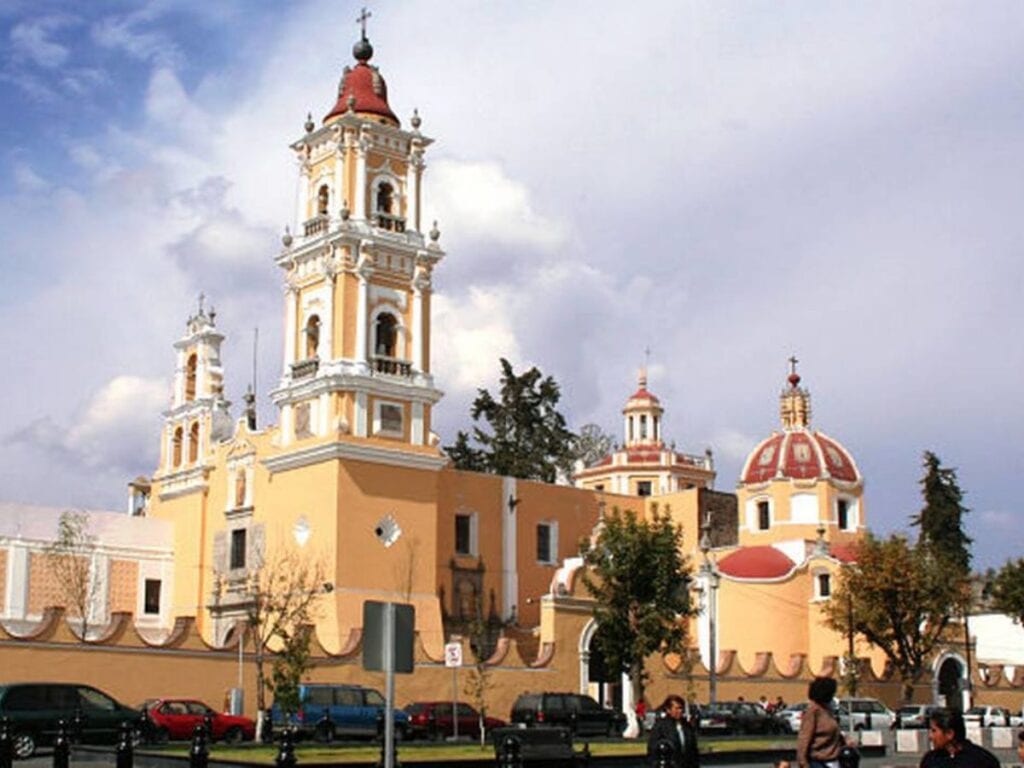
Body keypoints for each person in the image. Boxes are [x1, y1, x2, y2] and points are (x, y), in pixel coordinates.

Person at [918, 709, 998, 768]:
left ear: (949, 734)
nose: (930, 736)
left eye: (934, 731)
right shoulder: (931, 760)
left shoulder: (982, 760)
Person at [796, 677, 843, 768]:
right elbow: (804, 738)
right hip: (818, 761)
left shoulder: (828, 710)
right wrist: (803, 762)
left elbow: (835, 731)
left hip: (833, 761)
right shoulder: (813, 711)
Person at [647, 694, 700, 768]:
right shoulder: (661, 727)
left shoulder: (687, 726)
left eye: (681, 708)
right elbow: (652, 750)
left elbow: (693, 750)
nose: (680, 711)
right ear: (668, 710)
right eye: (677, 708)